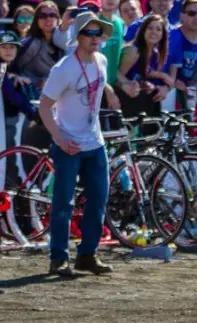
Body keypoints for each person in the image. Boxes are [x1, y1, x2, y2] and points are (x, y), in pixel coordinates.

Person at [39, 12, 121, 277]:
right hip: (68, 144)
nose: (97, 39)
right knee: (63, 203)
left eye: (100, 33)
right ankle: (58, 258)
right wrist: (59, 138)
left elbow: (97, 81)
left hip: (94, 143)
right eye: (91, 33)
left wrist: (108, 90)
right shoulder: (64, 68)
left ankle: (87, 255)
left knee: (98, 200)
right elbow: (44, 106)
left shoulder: (102, 60)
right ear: (79, 37)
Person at [116, 14, 174, 117]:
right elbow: (115, 75)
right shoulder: (134, 51)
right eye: (150, 28)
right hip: (120, 101)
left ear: (163, 35)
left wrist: (145, 84)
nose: (154, 32)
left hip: (133, 101)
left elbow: (145, 72)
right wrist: (129, 84)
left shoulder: (155, 54)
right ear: (143, 30)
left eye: (158, 29)